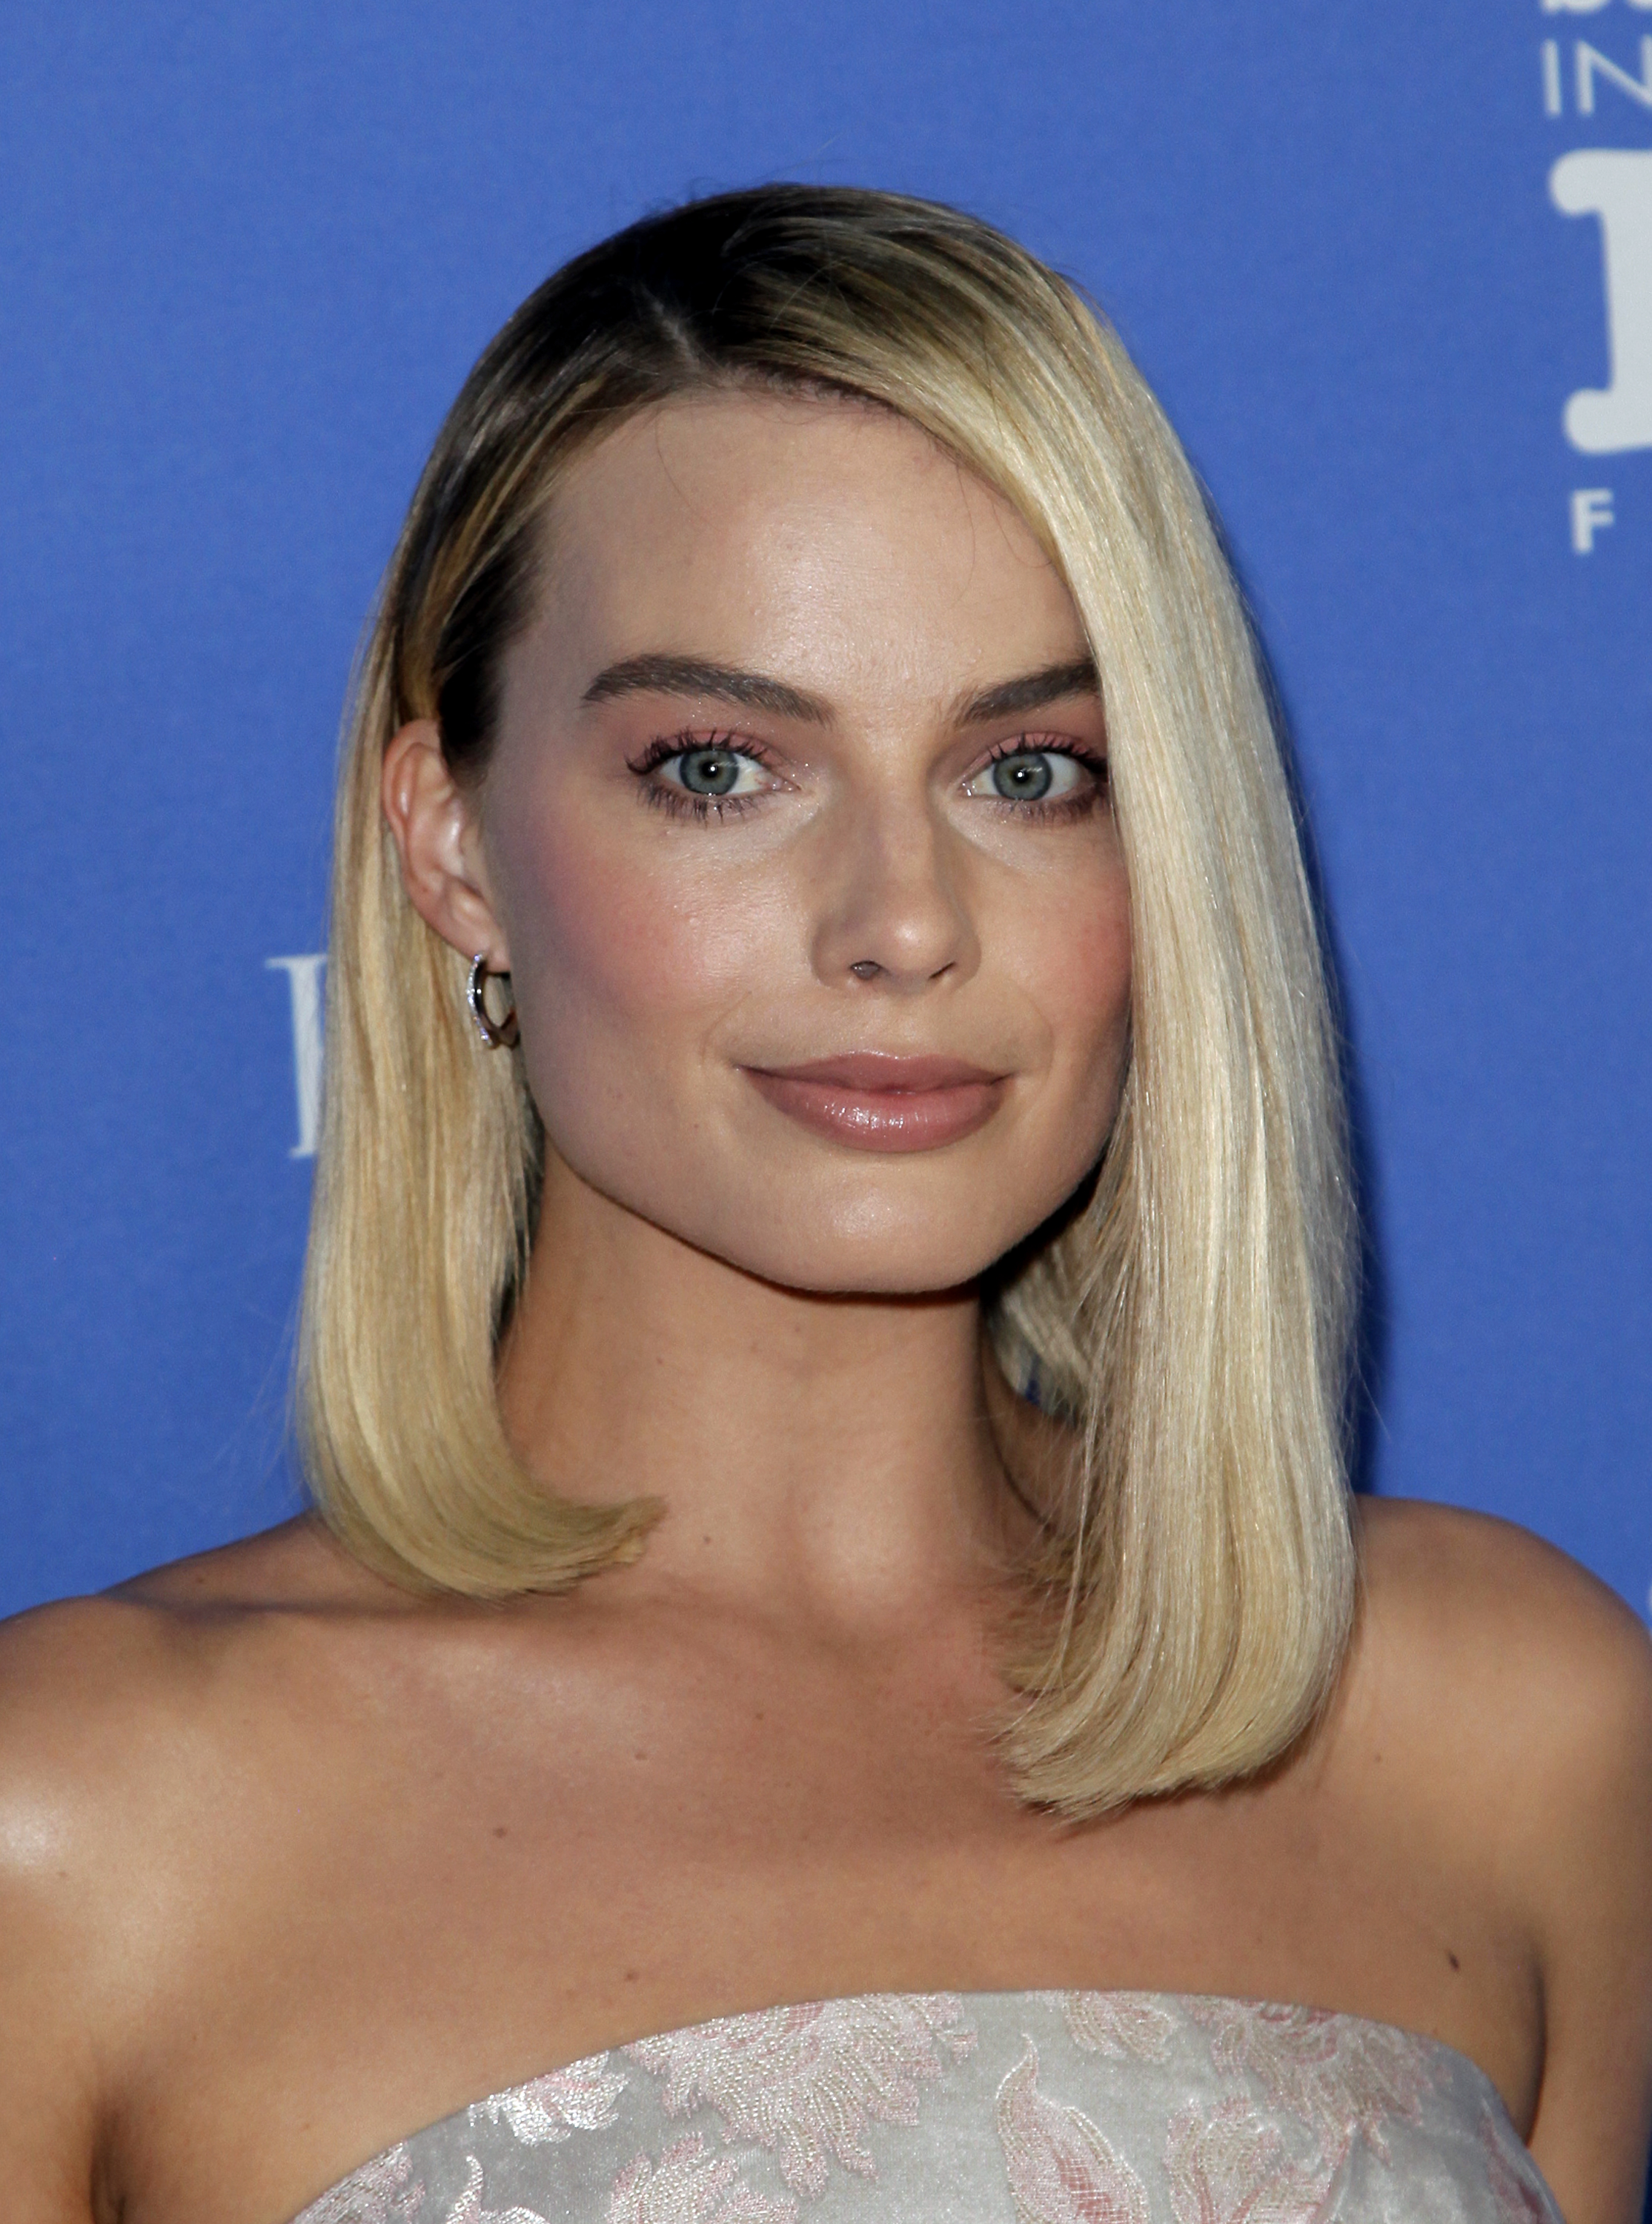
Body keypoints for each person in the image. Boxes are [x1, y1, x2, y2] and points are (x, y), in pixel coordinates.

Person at [1, 185, 1648, 2224]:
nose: (902, 921)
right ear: (452, 845)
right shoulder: (84, 1830)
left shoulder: (1507, 1727)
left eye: (1028, 770)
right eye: (719, 767)